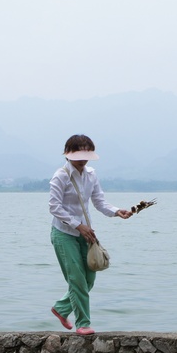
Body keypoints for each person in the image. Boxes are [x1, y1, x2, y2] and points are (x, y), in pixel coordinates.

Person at [48, 135, 132, 335]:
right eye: (79, 153)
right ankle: (83, 324)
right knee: (77, 279)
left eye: (87, 153)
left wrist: (116, 211)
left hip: (86, 234)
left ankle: (61, 308)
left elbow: (99, 202)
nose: (83, 158)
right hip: (63, 233)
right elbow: (54, 207)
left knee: (90, 278)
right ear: (68, 153)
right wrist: (78, 226)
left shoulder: (91, 174)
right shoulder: (60, 176)